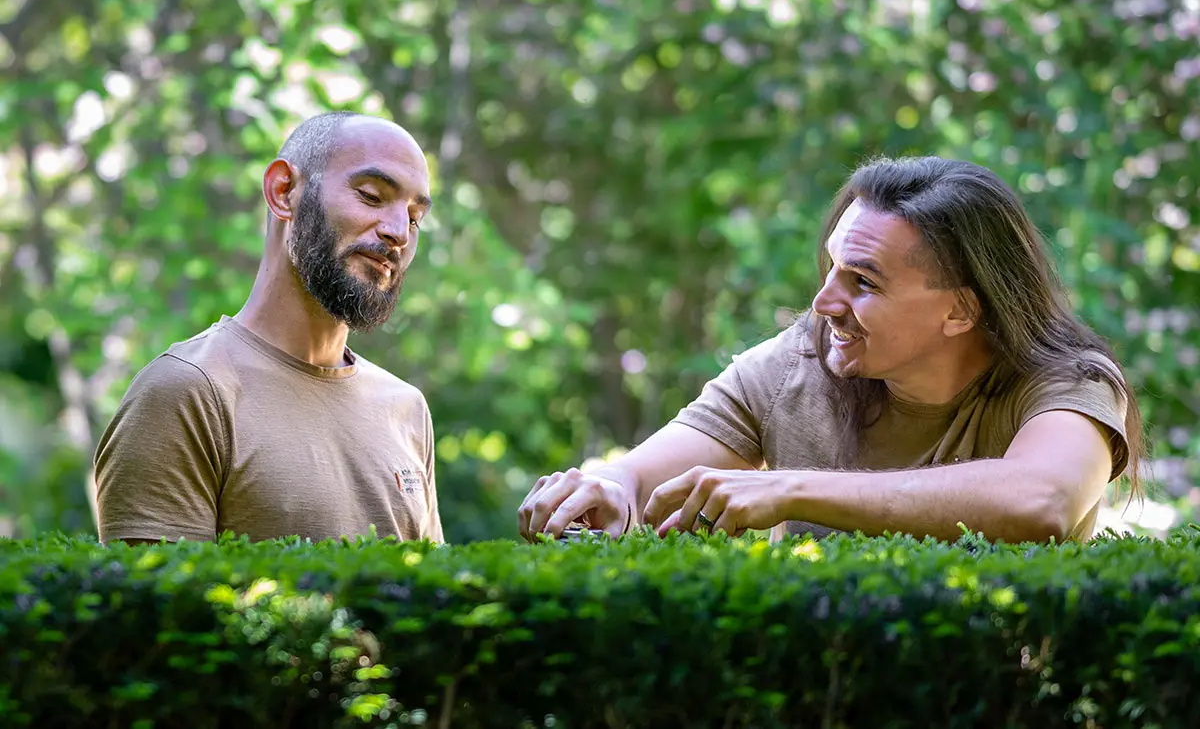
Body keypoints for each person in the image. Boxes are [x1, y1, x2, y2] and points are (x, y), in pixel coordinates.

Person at [519, 156, 1143, 544]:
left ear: (961, 309)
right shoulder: (798, 364)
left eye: (863, 282)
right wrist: (609, 487)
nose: (823, 303)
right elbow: (641, 476)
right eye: (832, 268)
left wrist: (791, 490)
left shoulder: (1070, 383)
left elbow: (1042, 500)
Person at [94, 112, 443, 543]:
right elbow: (160, 588)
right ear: (283, 192)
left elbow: (432, 584)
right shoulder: (187, 393)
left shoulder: (406, 409)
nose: (399, 233)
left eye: (414, 218)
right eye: (372, 196)